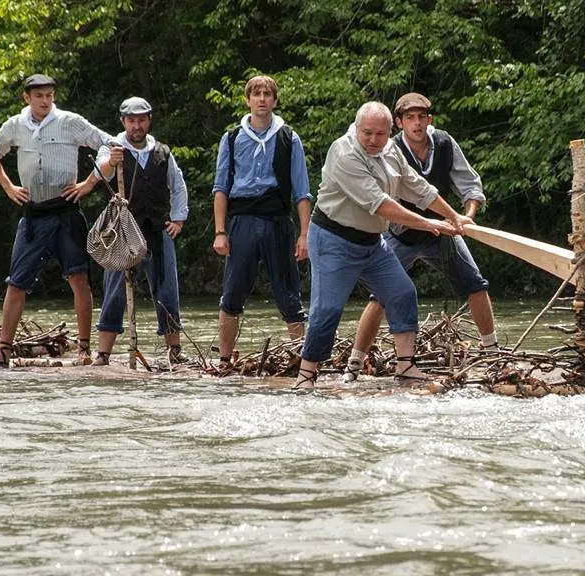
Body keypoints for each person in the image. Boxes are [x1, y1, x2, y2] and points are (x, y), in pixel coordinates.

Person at [294, 101, 472, 389]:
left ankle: (406, 366)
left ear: (391, 131)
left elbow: (418, 188)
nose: (374, 140)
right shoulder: (344, 152)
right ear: (356, 127)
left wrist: (454, 216)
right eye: (368, 133)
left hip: (372, 243)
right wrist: (429, 224)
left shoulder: (390, 150)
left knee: (402, 292)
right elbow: (380, 204)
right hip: (334, 240)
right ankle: (306, 374)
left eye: (381, 134)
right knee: (327, 308)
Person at [343, 92, 498, 381]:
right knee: (380, 297)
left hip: (441, 232)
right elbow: (382, 196)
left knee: (476, 283)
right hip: (400, 234)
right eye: (410, 118)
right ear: (399, 123)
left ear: (430, 120)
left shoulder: (444, 143)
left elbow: (469, 183)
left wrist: (468, 215)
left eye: (422, 117)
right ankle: (354, 364)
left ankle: (492, 353)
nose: (417, 124)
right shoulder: (389, 148)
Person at [0, 74, 112, 367]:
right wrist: (7, 186)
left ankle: (84, 349)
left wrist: (89, 183)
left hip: (65, 209)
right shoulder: (15, 125)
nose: (45, 101)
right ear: (27, 97)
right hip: (33, 212)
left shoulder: (69, 121)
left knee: (78, 277)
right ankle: (4, 349)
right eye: (39, 96)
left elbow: (108, 144)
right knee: (16, 282)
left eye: (49, 95)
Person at [212, 75, 312, 368]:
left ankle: (301, 361)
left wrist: (305, 234)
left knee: (288, 293)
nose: (262, 99)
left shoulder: (289, 137)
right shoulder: (232, 138)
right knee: (232, 293)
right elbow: (221, 188)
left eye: (268, 94)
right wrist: (220, 231)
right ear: (248, 100)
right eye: (256, 94)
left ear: (275, 100)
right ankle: (224, 360)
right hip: (242, 221)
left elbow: (301, 190)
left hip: (277, 221)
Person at [91, 97, 190, 366]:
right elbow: (100, 174)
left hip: (157, 229)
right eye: (132, 120)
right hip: (123, 231)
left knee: (167, 290)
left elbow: (177, 186)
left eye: (142, 119)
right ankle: (103, 354)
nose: (137, 125)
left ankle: (174, 351)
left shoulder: (162, 152)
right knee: (114, 290)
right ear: (124, 122)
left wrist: (178, 219)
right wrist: (112, 162)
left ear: (149, 120)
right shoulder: (113, 147)